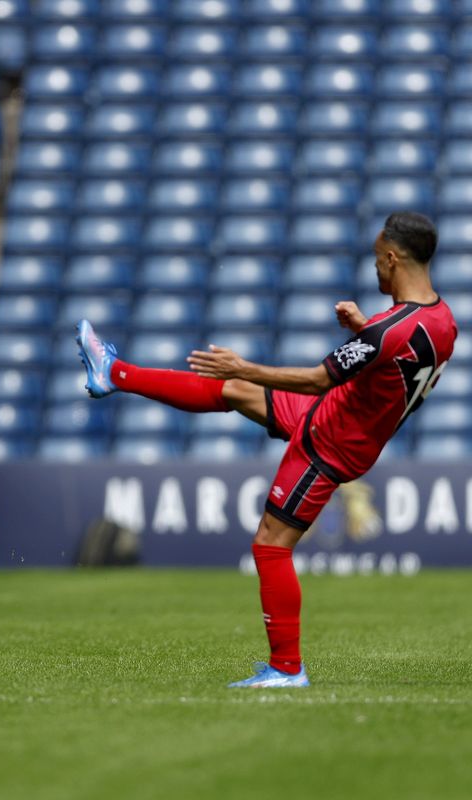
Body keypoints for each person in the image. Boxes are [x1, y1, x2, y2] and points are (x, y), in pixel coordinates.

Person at [75, 211, 457, 688]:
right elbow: (397, 364)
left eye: (377, 259)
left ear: (393, 257)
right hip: (344, 418)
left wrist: (245, 363)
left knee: (270, 545)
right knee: (233, 390)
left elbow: (319, 379)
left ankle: (287, 669)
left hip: (329, 442)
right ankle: (115, 373)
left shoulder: (387, 331)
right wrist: (364, 332)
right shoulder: (442, 321)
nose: (375, 268)